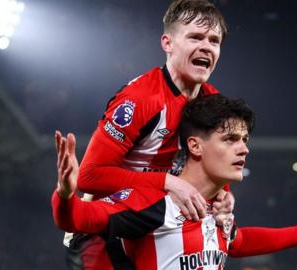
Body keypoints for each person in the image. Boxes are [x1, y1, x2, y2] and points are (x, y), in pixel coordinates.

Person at [52, 94, 297, 270]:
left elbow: (237, 242)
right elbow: (78, 218)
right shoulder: (154, 201)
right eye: (230, 139)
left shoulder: (217, 210)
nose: (244, 148)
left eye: (244, 139)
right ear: (195, 146)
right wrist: (65, 193)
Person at [56, 1, 234, 268]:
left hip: (158, 231)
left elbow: (212, 163)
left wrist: (224, 195)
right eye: (195, 37)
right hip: (105, 235)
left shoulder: (213, 100)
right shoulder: (139, 99)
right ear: (167, 43)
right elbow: (89, 177)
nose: (206, 46)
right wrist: (167, 182)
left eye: (214, 40)